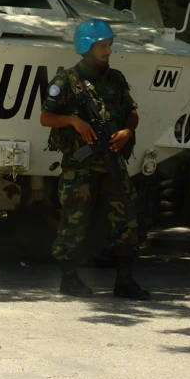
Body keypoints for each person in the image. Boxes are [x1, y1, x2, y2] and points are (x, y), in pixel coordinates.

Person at [40, 19, 150, 300]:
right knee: (74, 221)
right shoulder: (66, 81)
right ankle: (69, 278)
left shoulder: (116, 79)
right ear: (87, 47)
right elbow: (46, 118)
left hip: (112, 159)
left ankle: (124, 280)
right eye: (103, 46)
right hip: (80, 166)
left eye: (109, 45)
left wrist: (128, 130)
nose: (109, 52)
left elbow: (132, 111)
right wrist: (72, 121)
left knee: (128, 216)